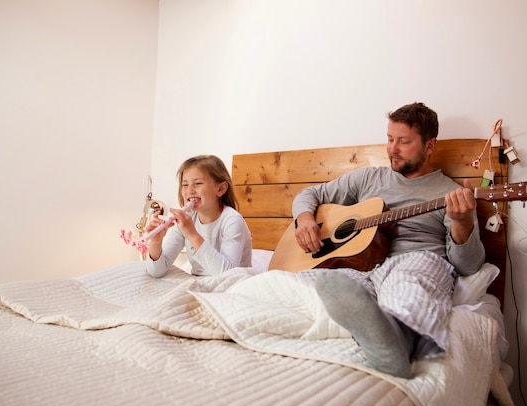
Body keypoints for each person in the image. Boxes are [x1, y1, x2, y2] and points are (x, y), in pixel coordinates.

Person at [292, 102, 485, 378]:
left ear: (430, 146)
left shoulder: (452, 194)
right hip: (360, 265)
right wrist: (305, 219)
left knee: (410, 282)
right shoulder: (367, 178)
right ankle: (370, 320)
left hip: (414, 260)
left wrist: (463, 222)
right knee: (315, 283)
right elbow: (308, 195)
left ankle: (397, 341)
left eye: (403, 142)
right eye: (390, 139)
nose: (392, 149)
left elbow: (468, 266)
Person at [146, 155, 252, 278]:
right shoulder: (186, 219)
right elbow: (156, 271)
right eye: (185, 184)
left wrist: (192, 234)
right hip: (200, 284)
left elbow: (227, 275)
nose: (190, 190)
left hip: (233, 286)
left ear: (221, 189)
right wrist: (156, 242)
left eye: (198, 183)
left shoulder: (232, 221)